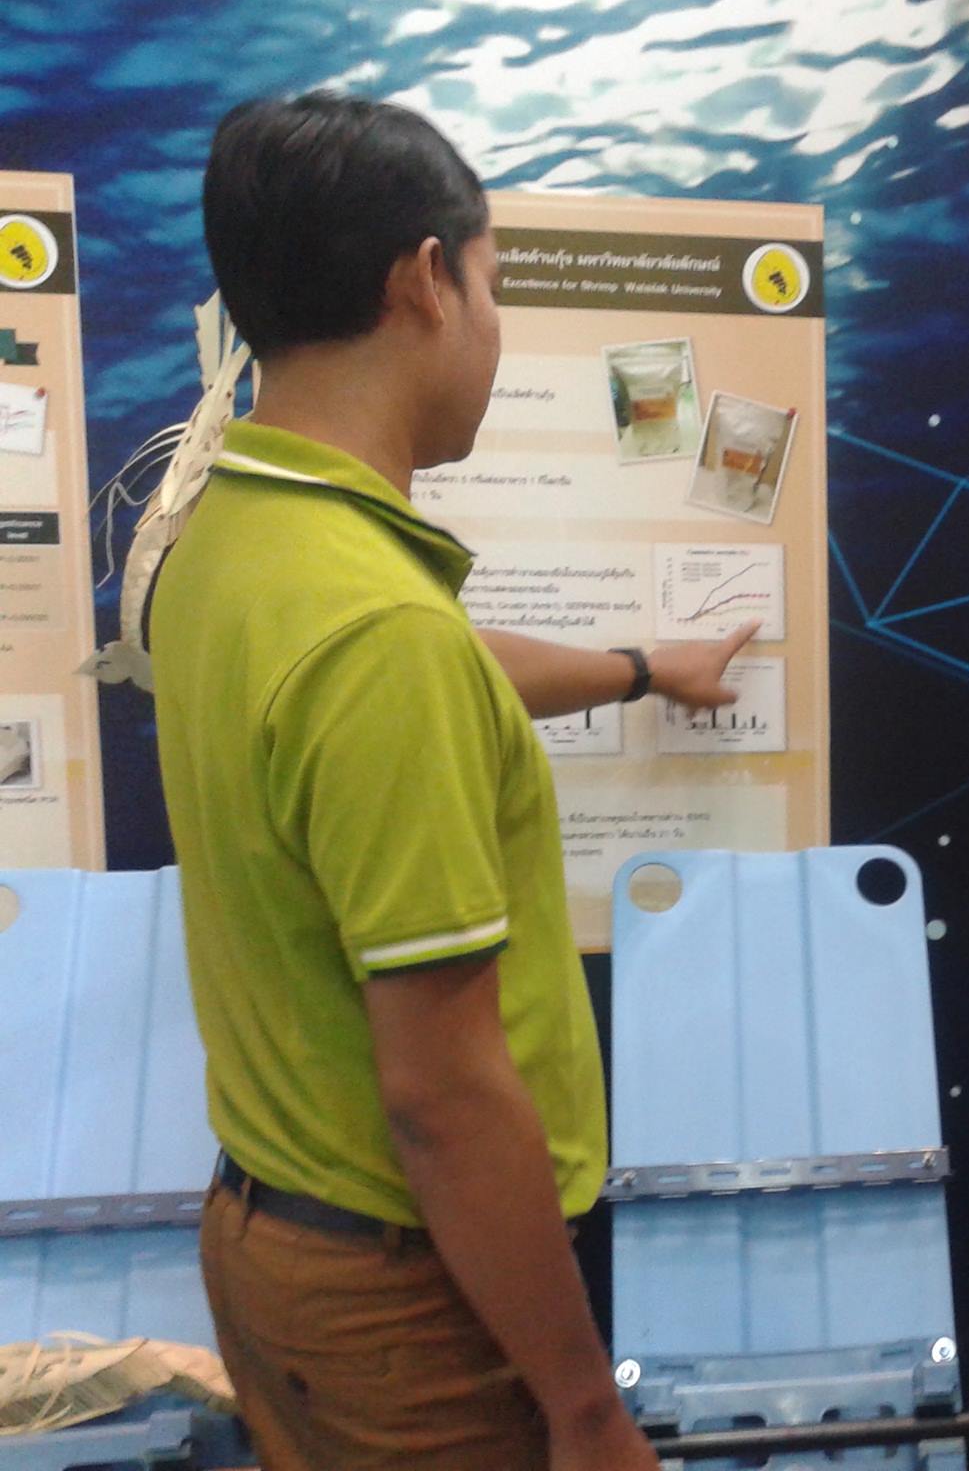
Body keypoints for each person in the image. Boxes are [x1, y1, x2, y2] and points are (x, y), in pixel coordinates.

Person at [153, 94, 754, 1470]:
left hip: (272, 1234)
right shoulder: (378, 636)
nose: (494, 324)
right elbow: (443, 1093)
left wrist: (640, 666)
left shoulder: (236, 534)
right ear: (426, 280)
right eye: (492, 282)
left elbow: (434, 670)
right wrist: (584, 1407)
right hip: (409, 1303)